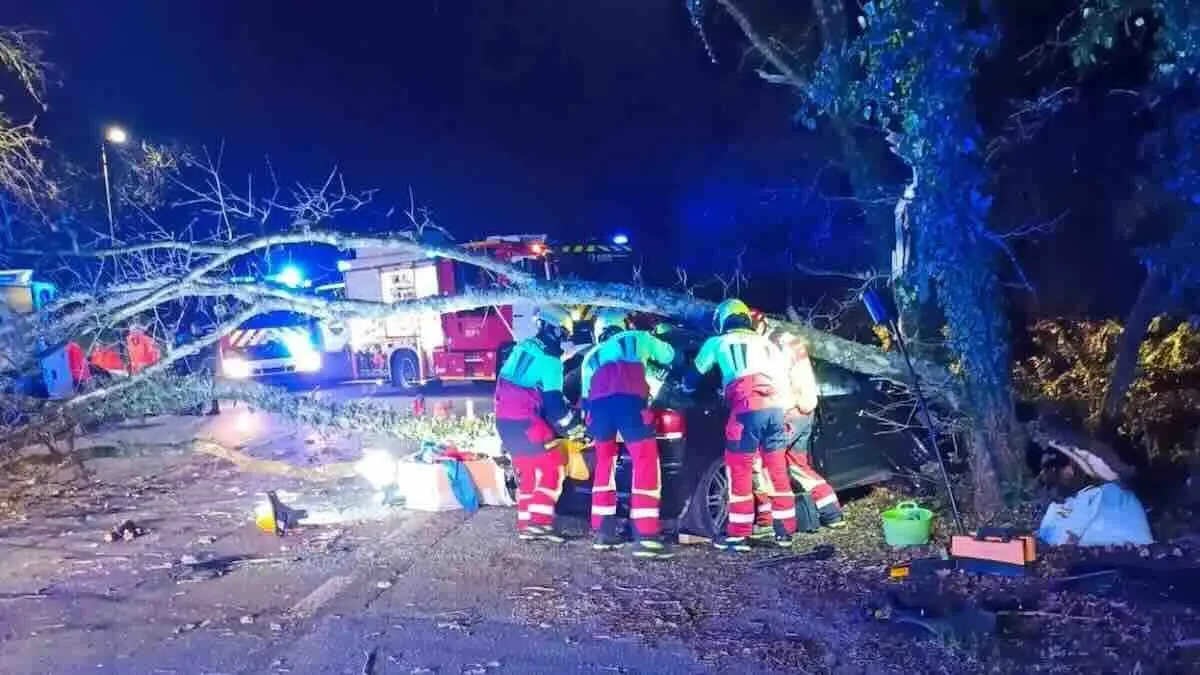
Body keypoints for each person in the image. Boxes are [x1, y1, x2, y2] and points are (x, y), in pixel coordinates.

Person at [685, 298, 798, 552]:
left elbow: (695, 376)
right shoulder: (767, 344)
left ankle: (739, 534)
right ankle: (785, 533)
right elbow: (782, 378)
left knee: (740, 470)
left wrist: (687, 387)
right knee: (778, 471)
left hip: (746, 409)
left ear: (723, 320)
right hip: (775, 409)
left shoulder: (718, 342)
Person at [580, 309, 680, 559]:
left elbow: (585, 400)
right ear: (623, 324)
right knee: (645, 463)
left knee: (604, 466)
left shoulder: (590, 356)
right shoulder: (638, 338)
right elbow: (670, 356)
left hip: (599, 411)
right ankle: (646, 536)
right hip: (630, 405)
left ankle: (605, 532)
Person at [494, 305, 578, 543]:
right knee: (553, 465)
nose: (564, 339)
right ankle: (540, 524)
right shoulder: (551, 360)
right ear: (554, 329)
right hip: (525, 422)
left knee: (528, 471)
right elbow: (553, 402)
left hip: (505, 423)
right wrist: (572, 427)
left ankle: (526, 525)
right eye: (563, 333)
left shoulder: (522, 347)